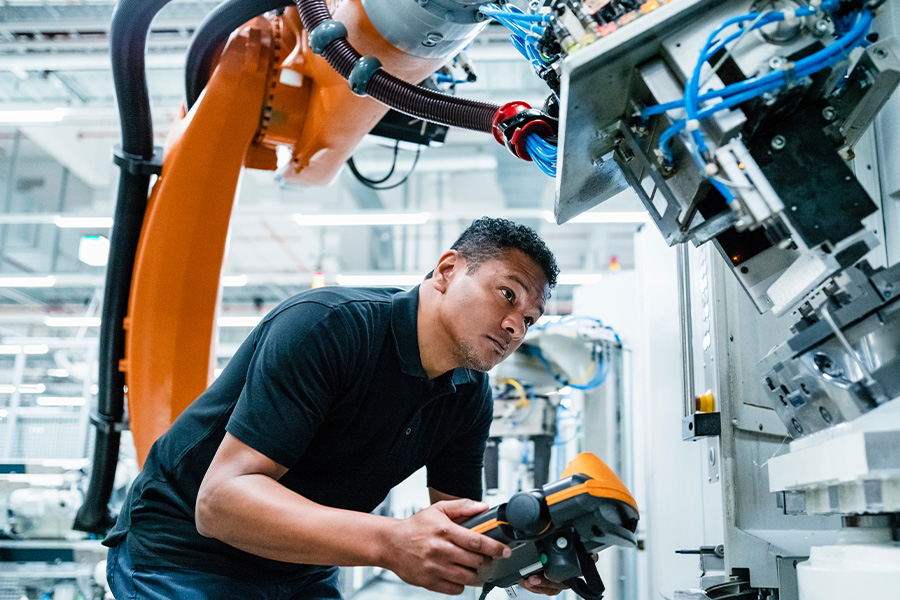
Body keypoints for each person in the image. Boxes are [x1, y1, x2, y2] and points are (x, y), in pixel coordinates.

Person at [104, 217, 561, 599]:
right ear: (446, 270)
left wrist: (525, 552)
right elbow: (220, 503)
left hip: (301, 564)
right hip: (183, 553)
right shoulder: (327, 326)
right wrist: (388, 541)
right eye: (507, 294)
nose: (513, 326)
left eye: (528, 319)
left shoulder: (468, 395)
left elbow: (462, 520)